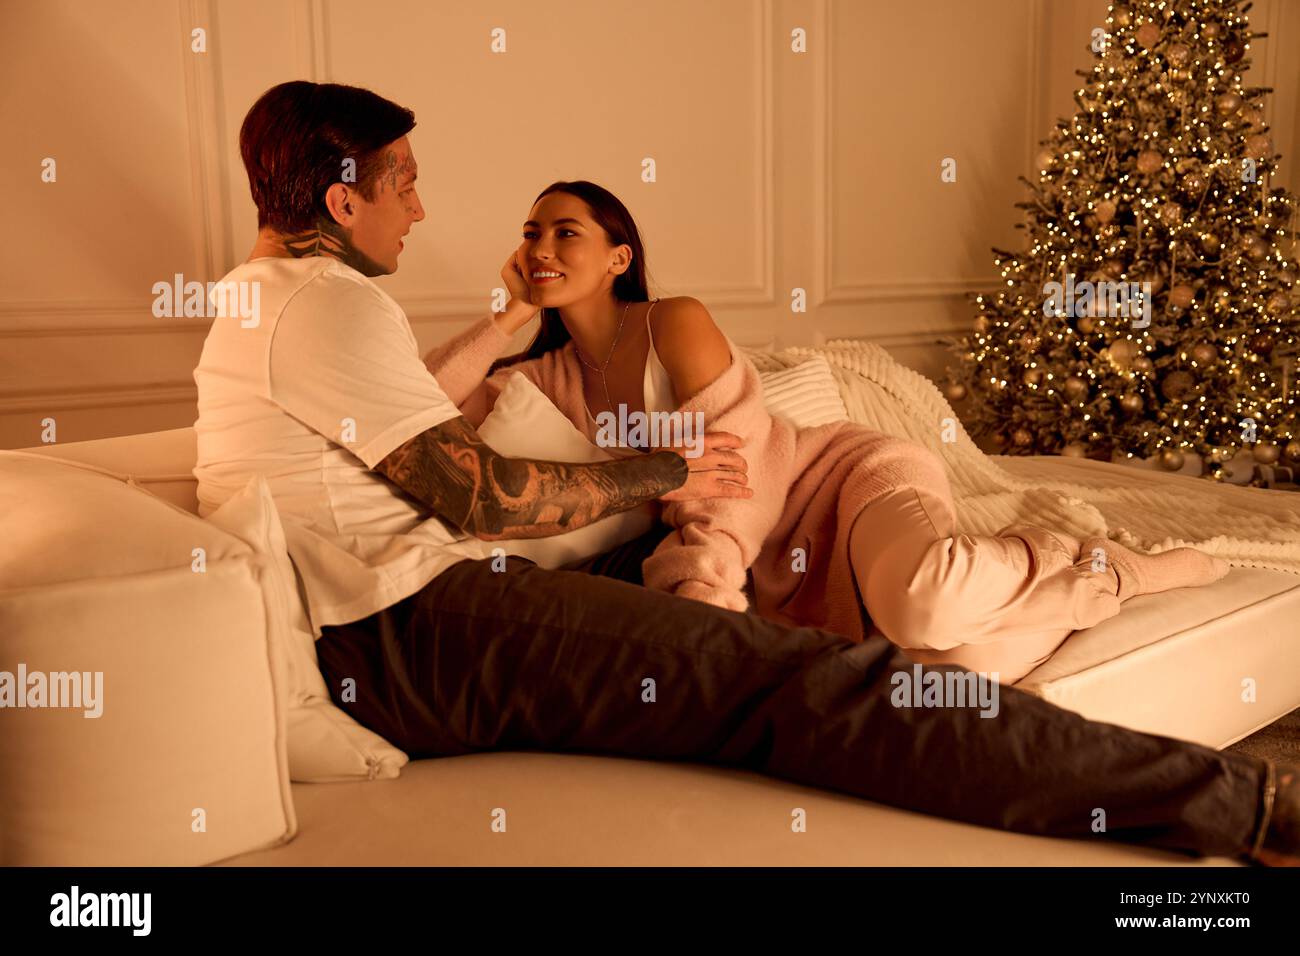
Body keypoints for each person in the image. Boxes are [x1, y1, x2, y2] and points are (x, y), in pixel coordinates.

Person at [193, 80, 1299, 866]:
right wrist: (654, 467)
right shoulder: (325, 304)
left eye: (560, 230)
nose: (421, 211)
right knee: (817, 683)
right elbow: (484, 493)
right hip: (418, 621)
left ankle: (1118, 610)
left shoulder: (262, 306)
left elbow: (444, 433)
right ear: (342, 200)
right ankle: (1238, 803)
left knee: (899, 628)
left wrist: (669, 513)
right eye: (403, 186)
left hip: (802, 496)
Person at [425, 180, 1232, 685]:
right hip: (777, 583)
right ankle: (1063, 596)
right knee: (953, 672)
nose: (540, 246)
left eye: (565, 231)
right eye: (531, 233)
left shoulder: (675, 323)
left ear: (617, 257)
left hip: (839, 487)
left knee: (925, 603)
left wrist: (705, 612)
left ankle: (1109, 569)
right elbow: (415, 410)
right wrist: (511, 318)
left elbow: (739, 486)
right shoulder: (542, 379)